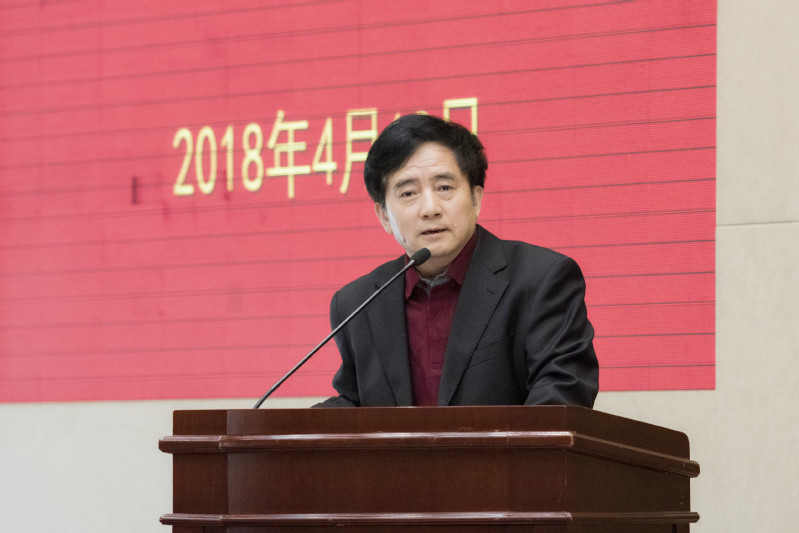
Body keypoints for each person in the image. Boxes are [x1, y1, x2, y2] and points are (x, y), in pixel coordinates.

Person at [316, 114, 598, 407]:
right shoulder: (358, 304)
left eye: (444, 188)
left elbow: (562, 395)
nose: (430, 208)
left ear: (476, 199)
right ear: (384, 216)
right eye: (408, 193)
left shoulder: (540, 281)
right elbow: (353, 406)